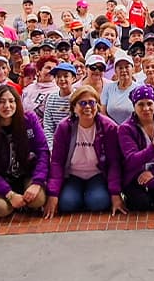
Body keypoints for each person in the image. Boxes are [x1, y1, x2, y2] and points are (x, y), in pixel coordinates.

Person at [45, 86, 123, 216]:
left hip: (97, 174)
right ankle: (78, 195)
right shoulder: (64, 128)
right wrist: (53, 194)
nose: (87, 107)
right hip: (73, 174)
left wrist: (115, 193)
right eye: (82, 103)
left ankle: (91, 195)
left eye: (92, 102)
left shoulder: (108, 127)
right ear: (74, 108)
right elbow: (57, 162)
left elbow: (114, 162)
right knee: (67, 204)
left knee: (99, 203)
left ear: (97, 106)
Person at [0, 85, 49, 218]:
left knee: (38, 200)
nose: (7, 105)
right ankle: (14, 200)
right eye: (1, 102)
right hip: (2, 178)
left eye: (11, 101)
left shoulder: (29, 120)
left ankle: (23, 197)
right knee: (0, 209)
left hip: (26, 173)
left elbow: (43, 151)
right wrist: (8, 193)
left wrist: (37, 182)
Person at [118, 85, 154, 211]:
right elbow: (131, 159)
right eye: (141, 104)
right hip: (135, 176)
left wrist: (153, 172)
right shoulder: (126, 128)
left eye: (149, 103)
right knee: (141, 205)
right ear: (134, 106)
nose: (146, 108)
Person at [39, 62, 77, 146]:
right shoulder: (51, 98)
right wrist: (52, 147)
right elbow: (48, 126)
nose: (62, 79)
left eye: (66, 76)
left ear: (73, 78)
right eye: (58, 76)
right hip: (57, 142)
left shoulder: (78, 97)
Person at [100, 56, 138, 124]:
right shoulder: (108, 87)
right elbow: (103, 112)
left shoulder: (139, 89)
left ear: (133, 69)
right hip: (111, 129)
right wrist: (114, 127)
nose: (123, 70)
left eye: (127, 67)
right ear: (115, 71)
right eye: (120, 68)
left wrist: (125, 128)